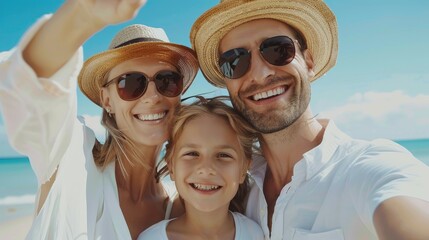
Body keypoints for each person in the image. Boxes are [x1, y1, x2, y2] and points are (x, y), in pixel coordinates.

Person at [190, 0, 429, 239]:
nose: (261, 73)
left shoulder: (368, 169)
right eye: (235, 61)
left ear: (309, 62)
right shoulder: (235, 189)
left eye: (278, 49)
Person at [0, 0, 199, 239]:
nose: (153, 96)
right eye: (132, 83)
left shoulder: (183, 208)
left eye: (167, 80)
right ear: (107, 101)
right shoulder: (73, 158)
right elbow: (32, 85)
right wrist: (82, 15)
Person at [137, 96, 264, 240]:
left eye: (223, 155)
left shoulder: (255, 233)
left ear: (243, 169)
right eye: (192, 153)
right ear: (171, 166)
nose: (206, 168)